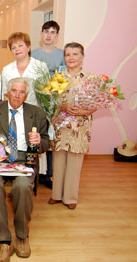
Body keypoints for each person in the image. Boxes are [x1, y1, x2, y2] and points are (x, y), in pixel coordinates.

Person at [0, 77, 49, 262]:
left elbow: (46, 142)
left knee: (21, 187)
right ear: (7, 92)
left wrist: (38, 141)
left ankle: (22, 235)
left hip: (24, 159)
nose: (17, 95)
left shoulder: (36, 113)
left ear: (26, 95)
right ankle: (3, 240)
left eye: (21, 92)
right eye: (14, 91)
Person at [48, 42, 96, 210]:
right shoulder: (58, 78)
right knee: (58, 161)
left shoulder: (90, 79)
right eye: (68, 55)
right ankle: (56, 195)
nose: (71, 58)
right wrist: (63, 107)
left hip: (79, 127)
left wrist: (83, 111)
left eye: (75, 54)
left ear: (82, 57)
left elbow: (97, 103)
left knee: (75, 163)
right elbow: (52, 102)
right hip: (61, 126)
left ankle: (70, 197)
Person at [2, 32, 50, 181]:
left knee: (33, 146)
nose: (17, 49)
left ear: (28, 46)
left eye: (20, 45)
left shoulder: (40, 66)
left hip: (34, 113)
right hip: (14, 113)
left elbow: (47, 93)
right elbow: (5, 94)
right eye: (13, 47)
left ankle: (31, 176)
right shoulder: (7, 69)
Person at [31, 21, 65, 189]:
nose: (49, 35)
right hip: (37, 100)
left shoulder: (61, 54)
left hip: (55, 101)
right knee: (39, 136)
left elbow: (62, 78)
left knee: (52, 138)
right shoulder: (34, 54)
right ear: (41, 33)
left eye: (53, 32)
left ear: (57, 35)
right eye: (46, 32)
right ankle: (36, 173)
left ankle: (49, 174)